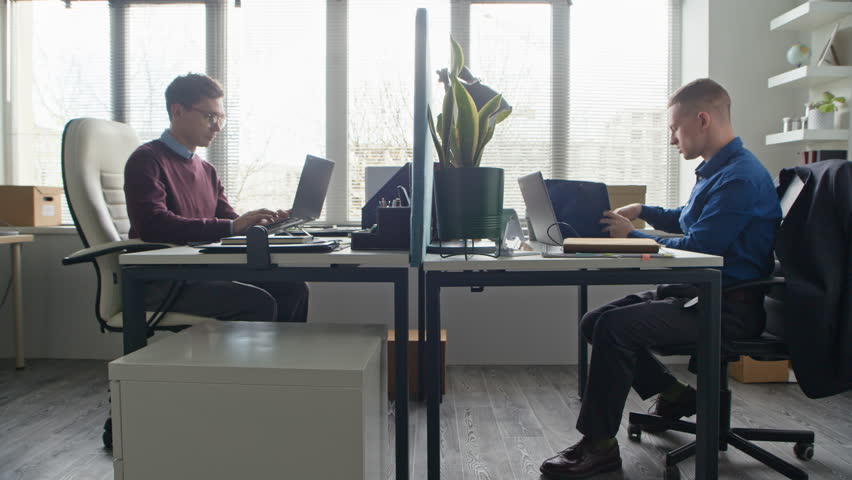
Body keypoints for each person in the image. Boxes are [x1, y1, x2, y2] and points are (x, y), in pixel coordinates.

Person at [539, 78, 782, 479]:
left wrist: (631, 236)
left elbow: (701, 245)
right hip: (699, 295)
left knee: (615, 328)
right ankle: (677, 396)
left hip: (727, 307)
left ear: (702, 119)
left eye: (674, 127)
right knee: (594, 322)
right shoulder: (719, 171)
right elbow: (690, 218)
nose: (671, 139)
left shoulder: (740, 178)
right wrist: (644, 210)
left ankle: (598, 448)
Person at [124, 73, 308, 323]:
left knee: (292, 289)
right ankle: (251, 363)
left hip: (199, 272)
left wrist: (263, 224)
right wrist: (233, 226)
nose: (218, 127)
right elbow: (152, 225)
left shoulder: (207, 170)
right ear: (177, 111)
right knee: (258, 302)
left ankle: (284, 363)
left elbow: (228, 221)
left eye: (220, 117)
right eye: (209, 116)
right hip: (162, 279)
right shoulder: (147, 159)